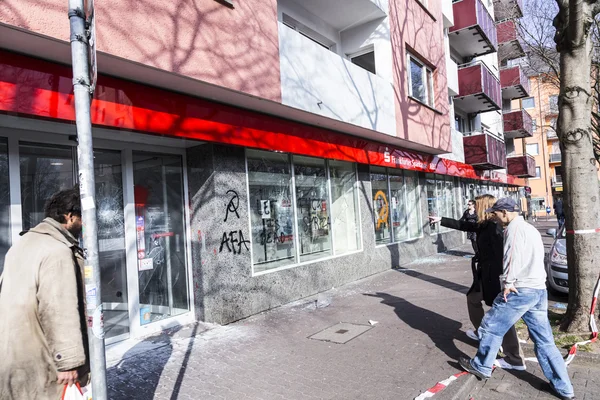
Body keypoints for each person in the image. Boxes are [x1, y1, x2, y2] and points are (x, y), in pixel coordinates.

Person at [458, 198, 574, 400]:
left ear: (505, 212)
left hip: (519, 289)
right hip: (538, 289)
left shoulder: (513, 229)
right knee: (545, 341)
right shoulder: (531, 229)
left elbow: (510, 258)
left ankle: (482, 366)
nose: (495, 217)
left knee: (490, 326)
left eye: (496, 213)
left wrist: (508, 283)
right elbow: (538, 258)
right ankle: (564, 388)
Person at [0, 187, 90, 400]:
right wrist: (68, 361)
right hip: (43, 358)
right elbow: (58, 310)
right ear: (69, 216)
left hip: (14, 356)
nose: (85, 225)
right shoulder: (57, 251)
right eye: (82, 218)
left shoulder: (23, 243)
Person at [429, 195, 525, 370]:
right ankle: (483, 333)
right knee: (473, 298)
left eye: (476, 205)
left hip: (495, 278)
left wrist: (506, 281)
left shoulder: (494, 228)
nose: (472, 207)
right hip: (485, 275)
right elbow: (466, 225)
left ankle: (513, 357)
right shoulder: (485, 225)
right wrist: (441, 219)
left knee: (502, 315)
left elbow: (504, 258)